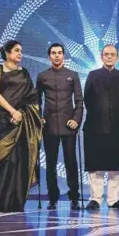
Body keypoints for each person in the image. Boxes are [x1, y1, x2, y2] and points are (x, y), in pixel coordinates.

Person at [0, 40, 43, 212]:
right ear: (7, 53)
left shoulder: (24, 72)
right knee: (2, 160)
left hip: (22, 120)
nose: (20, 54)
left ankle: (16, 201)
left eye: (21, 51)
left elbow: (31, 98)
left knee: (20, 161)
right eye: (17, 50)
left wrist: (25, 114)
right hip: (2, 120)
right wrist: (12, 112)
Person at [36, 43, 83, 210]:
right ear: (49, 56)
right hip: (49, 126)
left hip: (68, 125)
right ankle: (52, 198)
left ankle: (74, 198)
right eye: (54, 53)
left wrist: (76, 119)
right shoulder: (42, 76)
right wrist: (39, 117)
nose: (57, 55)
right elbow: (37, 101)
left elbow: (79, 101)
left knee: (71, 163)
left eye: (60, 53)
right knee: (51, 163)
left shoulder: (73, 75)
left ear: (64, 56)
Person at [83, 44, 119, 210]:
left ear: (117, 58)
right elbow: (87, 99)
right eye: (106, 54)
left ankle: (113, 199)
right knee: (96, 164)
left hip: (117, 126)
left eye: (112, 54)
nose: (109, 57)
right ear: (102, 57)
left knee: (115, 165)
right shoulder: (93, 75)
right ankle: (95, 199)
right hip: (95, 126)